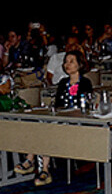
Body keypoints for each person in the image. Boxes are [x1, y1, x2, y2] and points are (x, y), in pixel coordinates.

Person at [17, 51, 94, 187]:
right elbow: (59, 105)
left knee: (45, 130)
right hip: (62, 120)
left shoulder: (85, 82)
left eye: (71, 61)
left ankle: (32, 162)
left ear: (79, 64)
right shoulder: (63, 82)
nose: (67, 64)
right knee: (40, 128)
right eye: (66, 61)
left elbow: (86, 107)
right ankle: (43, 169)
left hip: (77, 123)